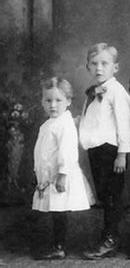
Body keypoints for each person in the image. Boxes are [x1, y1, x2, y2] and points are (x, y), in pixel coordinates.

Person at [79, 43, 130, 259]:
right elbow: (93, 120)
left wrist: (122, 153)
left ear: (115, 67)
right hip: (96, 150)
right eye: (94, 64)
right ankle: (108, 234)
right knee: (104, 194)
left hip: (110, 151)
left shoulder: (117, 92)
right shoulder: (93, 92)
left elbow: (124, 123)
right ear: (87, 67)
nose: (99, 68)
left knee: (111, 195)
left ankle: (110, 238)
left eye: (104, 63)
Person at [33, 77, 94, 260]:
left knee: (60, 211)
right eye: (48, 100)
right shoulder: (49, 124)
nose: (53, 105)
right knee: (56, 211)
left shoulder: (64, 124)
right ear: (42, 101)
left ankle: (60, 246)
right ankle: (58, 244)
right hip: (49, 175)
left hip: (61, 176)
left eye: (58, 100)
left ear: (68, 101)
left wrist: (62, 174)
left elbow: (67, 152)